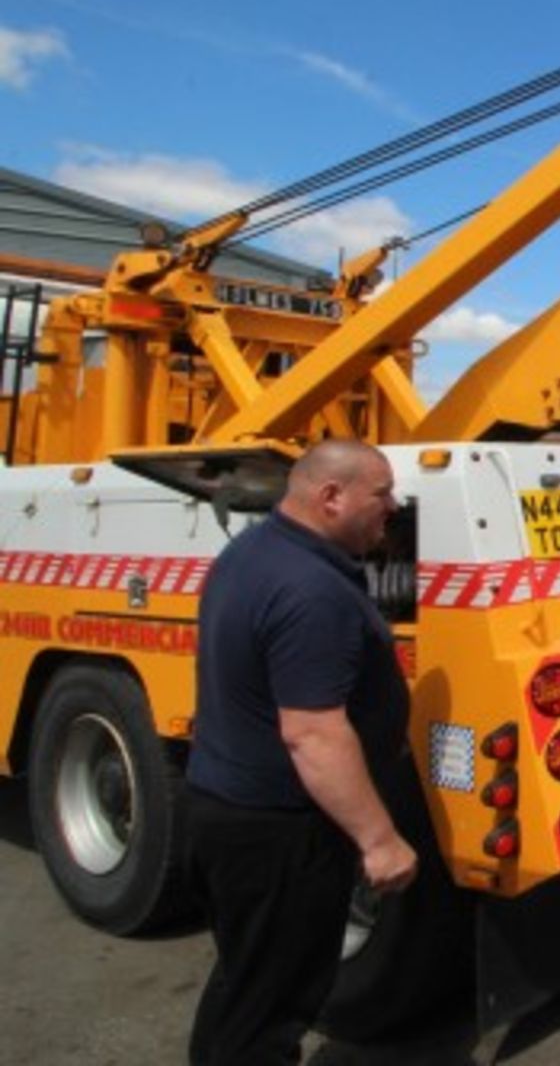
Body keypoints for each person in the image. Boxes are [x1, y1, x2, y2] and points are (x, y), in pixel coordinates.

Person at [185, 439, 418, 1064]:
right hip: (280, 837)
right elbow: (312, 734)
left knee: (248, 981)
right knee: (271, 1006)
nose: (392, 507)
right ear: (331, 496)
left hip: (232, 816)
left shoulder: (254, 554)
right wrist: (379, 839)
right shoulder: (311, 591)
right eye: (382, 493)